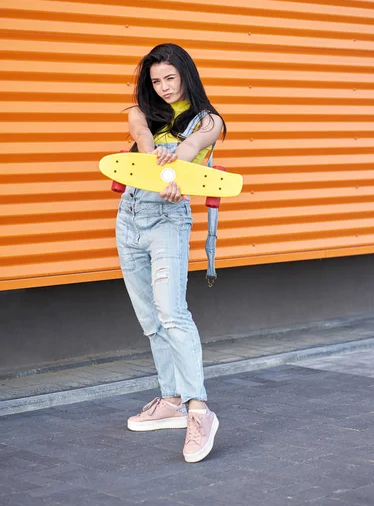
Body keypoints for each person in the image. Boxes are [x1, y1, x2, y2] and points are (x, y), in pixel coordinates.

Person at [116, 43, 227, 463]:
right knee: (150, 320)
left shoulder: (209, 120)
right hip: (129, 215)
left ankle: (199, 409)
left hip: (168, 219)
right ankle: (171, 400)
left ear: (186, 75)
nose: (162, 87)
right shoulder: (139, 111)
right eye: (155, 80)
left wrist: (173, 165)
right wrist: (154, 158)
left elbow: (187, 150)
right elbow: (143, 137)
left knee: (172, 312)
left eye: (170, 78)